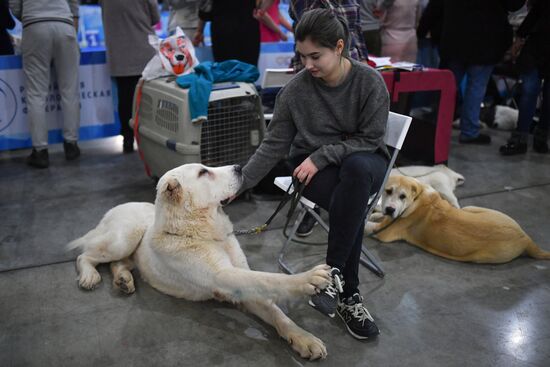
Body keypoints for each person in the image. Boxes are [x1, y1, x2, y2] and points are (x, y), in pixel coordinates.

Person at [238, 9, 389, 339]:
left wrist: (323, 155)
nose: (307, 65)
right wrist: (240, 183)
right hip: (314, 170)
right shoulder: (295, 91)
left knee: (357, 168)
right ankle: (347, 294)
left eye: (315, 56)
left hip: (364, 162)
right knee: (347, 202)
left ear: (339, 46)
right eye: (301, 56)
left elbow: (371, 138)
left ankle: (332, 272)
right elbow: (274, 144)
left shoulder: (369, 82)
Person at [439, 0, 524, 145]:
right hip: (485, 38)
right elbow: (514, 5)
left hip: (455, 34)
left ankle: (437, 129)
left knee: (446, 88)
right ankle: (469, 131)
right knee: (476, 87)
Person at [9, 0, 81, 168]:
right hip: (65, 24)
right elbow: (74, 2)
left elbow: (13, 5)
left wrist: (28, 15)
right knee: (69, 90)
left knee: (36, 94)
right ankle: (71, 145)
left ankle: (40, 151)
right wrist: (72, 17)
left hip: (35, 26)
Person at [100, 0, 159, 153]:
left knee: (124, 99)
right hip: (144, 52)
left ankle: (127, 138)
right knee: (147, 99)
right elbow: (156, 18)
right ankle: (150, 140)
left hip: (119, 53)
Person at [500, 0, 549, 155]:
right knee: (529, 91)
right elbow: (536, 12)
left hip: (538, 45)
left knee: (546, 96)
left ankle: (541, 137)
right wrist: (520, 38)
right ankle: (520, 139)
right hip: (536, 46)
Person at [288, 0, 370, 72]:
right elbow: (307, 33)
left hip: (350, 60)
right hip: (317, 61)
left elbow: (356, 30)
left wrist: (363, 60)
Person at [195, 0, 260, 66]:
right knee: (249, 68)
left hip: (222, 29)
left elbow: (205, 10)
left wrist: (200, 30)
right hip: (248, 28)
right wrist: (261, 10)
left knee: (224, 69)